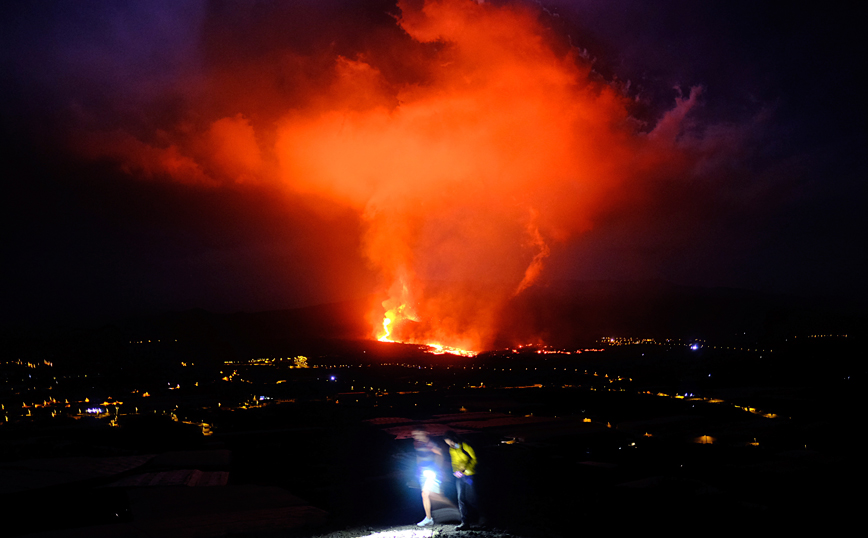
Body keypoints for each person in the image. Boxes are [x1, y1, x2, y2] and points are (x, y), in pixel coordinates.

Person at [444, 430, 479, 530]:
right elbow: (454, 462)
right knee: (461, 499)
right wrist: (456, 472)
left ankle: (483, 518)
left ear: (454, 439)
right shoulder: (452, 449)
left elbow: (475, 458)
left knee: (473, 499)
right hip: (460, 477)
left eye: (450, 442)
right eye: (447, 443)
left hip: (470, 475)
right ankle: (465, 522)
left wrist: (466, 469)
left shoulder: (464, 445)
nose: (450, 444)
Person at [412, 426, 443, 527]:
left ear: (423, 433)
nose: (415, 436)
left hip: (430, 471)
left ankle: (430, 518)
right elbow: (418, 456)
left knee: (426, 493)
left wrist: (438, 469)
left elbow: (439, 453)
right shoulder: (416, 443)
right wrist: (418, 468)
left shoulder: (429, 443)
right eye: (414, 435)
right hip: (423, 472)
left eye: (417, 434)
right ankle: (429, 518)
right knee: (425, 494)